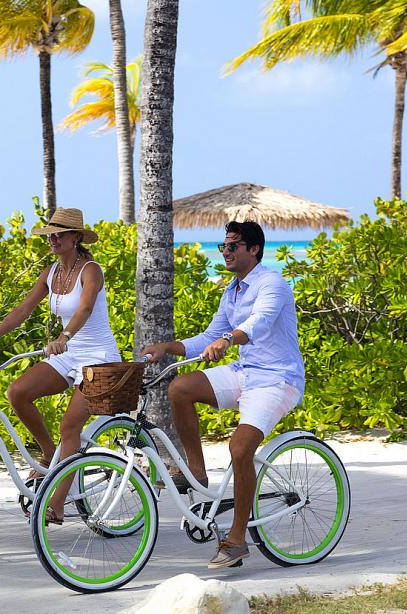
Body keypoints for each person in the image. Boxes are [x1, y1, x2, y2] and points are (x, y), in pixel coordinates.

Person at [140, 220, 304, 569]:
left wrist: (229, 339)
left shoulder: (272, 283)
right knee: (180, 388)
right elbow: (207, 337)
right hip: (245, 372)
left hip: (277, 379)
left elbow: (260, 322)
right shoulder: (232, 291)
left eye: (232, 246)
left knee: (240, 448)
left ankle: (238, 539)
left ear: (253, 249)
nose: (225, 252)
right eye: (223, 246)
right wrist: (167, 347)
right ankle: (197, 472)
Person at [0, 208, 121, 521]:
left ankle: (57, 504)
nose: (53, 239)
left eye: (60, 234)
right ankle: (51, 454)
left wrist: (64, 336)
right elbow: (24, 308)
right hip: (69, 354)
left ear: (76, 237)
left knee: (70, 426)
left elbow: (85, 308)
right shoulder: (51, 272)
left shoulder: (91, 270)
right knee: (18, 392)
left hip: (98, 357)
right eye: (50, 235)